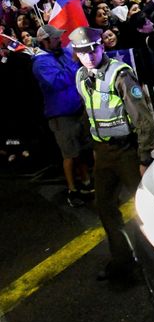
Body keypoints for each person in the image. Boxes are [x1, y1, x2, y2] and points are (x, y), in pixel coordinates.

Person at [70, 26, 154, 282]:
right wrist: (95, 150)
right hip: (104, 152)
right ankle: (122, 260)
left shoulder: (120, 74)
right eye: (82, 52)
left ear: (101, 47)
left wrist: (144, 157)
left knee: (145, 207)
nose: (88, 55)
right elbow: (90, 114)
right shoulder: (80, 77)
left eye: (92, 49)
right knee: (105, 207)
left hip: (128, 150)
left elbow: (143, 118)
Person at [31, 25, 93, 207]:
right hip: (61, 116)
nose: (60, 40)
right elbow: (57, 82)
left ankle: (87, 182)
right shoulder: (40, 63)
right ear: (45, 41)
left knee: (82, 149)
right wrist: (74, 63)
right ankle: (72, 190)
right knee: (70, 154)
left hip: (78, 110)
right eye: (56, 38)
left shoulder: (63, 52)